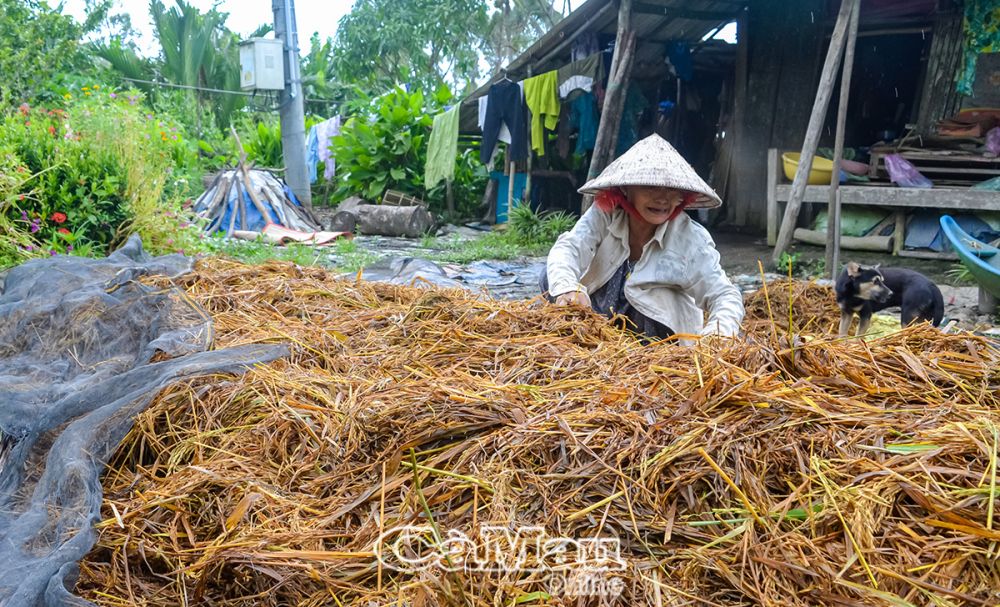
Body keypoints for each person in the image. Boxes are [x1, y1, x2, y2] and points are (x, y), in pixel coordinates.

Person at [541, 134, 744, 341]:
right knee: (550, 276)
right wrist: (568, 288)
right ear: (626, 189)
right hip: (600, 331)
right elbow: (569, 248)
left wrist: (717, 337)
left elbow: (726, 296)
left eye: (672, 189)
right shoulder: (606, 215)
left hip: (659, 342)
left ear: (682, 196)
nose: (663, 199)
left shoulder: (690, 238)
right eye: (651, 186)